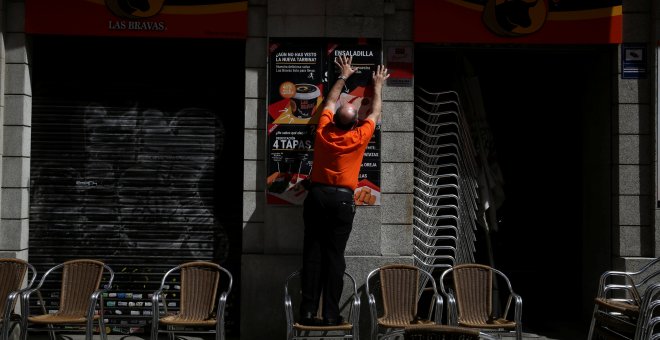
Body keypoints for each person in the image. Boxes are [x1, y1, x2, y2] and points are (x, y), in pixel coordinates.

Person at [299, 55, 389, 326]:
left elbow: (328, 101)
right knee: (334, 256)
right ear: (353, 123)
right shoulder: (359, 137)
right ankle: (329, 314)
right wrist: (378, 85)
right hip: (341, 201)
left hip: (316, 196)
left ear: (334, 119)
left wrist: (343, 75)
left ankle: (306, 311)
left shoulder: (323, 132)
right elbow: (374, 113)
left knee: (312, 252)